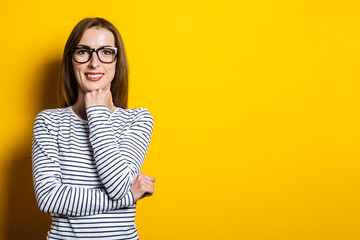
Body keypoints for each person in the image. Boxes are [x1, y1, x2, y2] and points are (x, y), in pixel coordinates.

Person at [32, 17, 155, 240]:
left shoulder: (138, 119)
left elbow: (117, 186)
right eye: (83, 51)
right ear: (71, 61)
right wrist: (129, 196)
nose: (94, 63)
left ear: (117, 62)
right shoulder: (48, 122)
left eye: (106, 52)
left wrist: (97, 115)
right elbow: (49, 198)